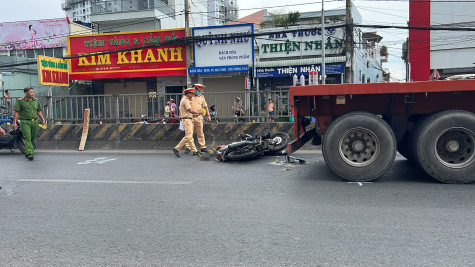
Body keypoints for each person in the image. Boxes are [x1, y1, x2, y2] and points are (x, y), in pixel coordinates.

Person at [12, 87, 46, 161]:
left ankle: (29, 151)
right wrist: (14, 122)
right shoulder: (21, 101)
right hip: (25, 121)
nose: (32, 93)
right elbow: (17, 112)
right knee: (27, 137)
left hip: (34, 121)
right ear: (26, 93)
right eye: (31, 92)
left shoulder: (36, 101)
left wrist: (43, 119)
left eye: (33, 92)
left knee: (33, 137)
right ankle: (29, 153)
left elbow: (39, 111)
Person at [172, 88, 202, 157]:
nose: (192, 95)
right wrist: (199, 112)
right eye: (191, 94)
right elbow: (190, 110)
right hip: (187, 120)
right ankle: (176, 148)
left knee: (190, 136)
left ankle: (195, 151)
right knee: (188, 136)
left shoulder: (186, 99)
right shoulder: (185, 100)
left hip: (188, 119)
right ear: (188, 94)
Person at [184, 83, 211, 154]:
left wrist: (208, 115)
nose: (199, 91)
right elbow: (184, 106)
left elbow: (205, 107)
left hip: (198, 117)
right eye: (198, 90)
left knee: (200, 132)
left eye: (200, 90)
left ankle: (203, 147)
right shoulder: (189, 96)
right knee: (189, 133)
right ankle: (188, 147)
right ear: (194, 89)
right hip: (189, 117)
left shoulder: (201, 97)